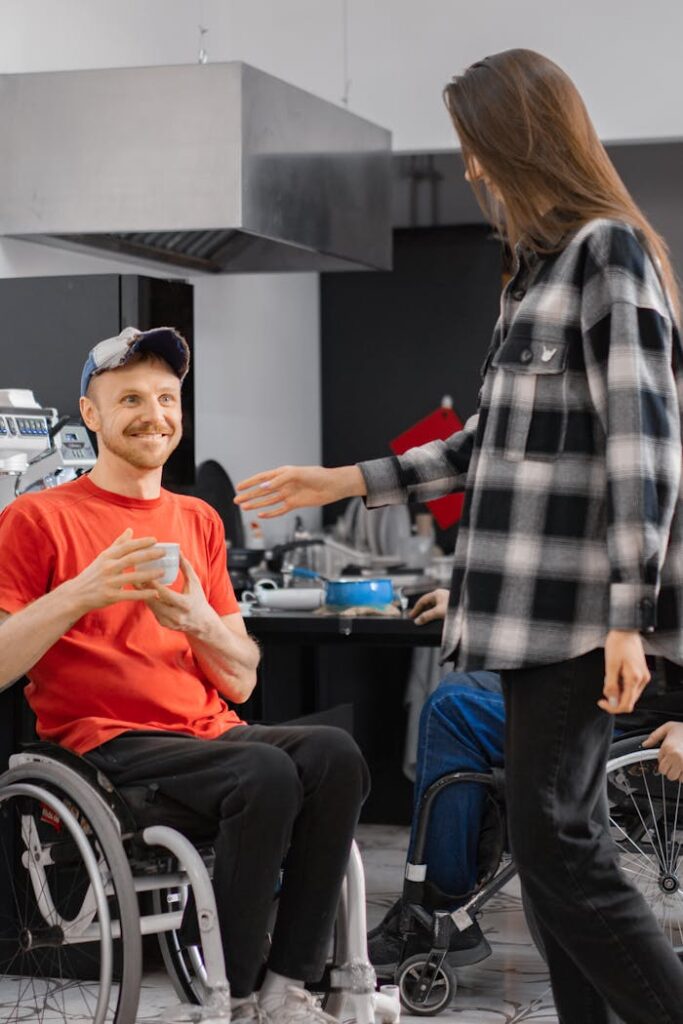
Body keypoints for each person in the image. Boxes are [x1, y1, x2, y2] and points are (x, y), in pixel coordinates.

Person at [236, 49, 683, 1023]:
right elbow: (485, 447)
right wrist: (344, 477)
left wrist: (626, 617)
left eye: (477, 149)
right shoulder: (531, 274)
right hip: (522, 621)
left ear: (519, 141)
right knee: (557, 847)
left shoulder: (607, 254)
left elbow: (644, 449)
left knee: (560, 846)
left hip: (573, 616)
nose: (471, 170)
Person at [0, 326, 369, 1024]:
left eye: (167, 398)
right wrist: (82, 591)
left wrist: (197, 616)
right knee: (264, 774)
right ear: (92, 414)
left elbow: (240, 684)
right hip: (106, 750)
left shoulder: (196, 519)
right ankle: (227, 995)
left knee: (333, 753)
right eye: (130, 398)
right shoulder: (35, 519)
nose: (154, 414)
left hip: (205, 739)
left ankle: (285, 989)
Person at [369, 589, 683, 974]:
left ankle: (440, 908)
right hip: (608, 683)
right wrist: (478, 604)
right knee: (460, 687)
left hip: (636, 714)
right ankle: (441, 901)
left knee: (452, 714)